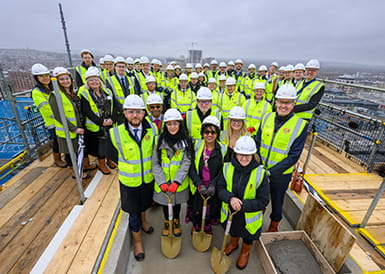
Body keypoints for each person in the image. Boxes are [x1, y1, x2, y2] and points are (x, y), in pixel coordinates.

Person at [109, 94, 156, 261]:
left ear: (144, 113)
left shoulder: (152, 130)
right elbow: (112, 155)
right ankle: (137, 243)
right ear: (124, 113)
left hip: (147, 179)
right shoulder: (115, 133)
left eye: (138, 112)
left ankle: (145, 222)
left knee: (145, 205)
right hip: (129, 182)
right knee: (133, 212)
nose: (135, 115)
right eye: (131, 112)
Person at [254, 84, 308, 232]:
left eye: (288, 102)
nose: (283, 105)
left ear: (293, 104)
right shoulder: (266, 118)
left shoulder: (300, 125)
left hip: (280, 175)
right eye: (281, 102)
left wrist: (272, 171)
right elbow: (257, 143)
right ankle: (257, 222)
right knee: (260, 199)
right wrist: (257, 165)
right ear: (276, 102)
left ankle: (274, 225)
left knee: (277, 202)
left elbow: (293, 156)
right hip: (261, 169)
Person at [217, 136, 270, 269]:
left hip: (249, 216)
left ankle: (245, 252)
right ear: (235, 153)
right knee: (233, 230)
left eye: (248, 155)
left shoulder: (260, 173)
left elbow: (263, 200)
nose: (244, 158)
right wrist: (230, 198)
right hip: (231, 212)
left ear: (254, 155)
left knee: (248, 236)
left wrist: (243, 205)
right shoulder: (227, 167)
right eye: (241, 154)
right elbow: (220, 187)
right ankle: (233, 243)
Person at [152, 108, 193, 237]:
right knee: (165, 203)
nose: (172, 127)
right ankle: (167, 221)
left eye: (175, 123)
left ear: (180, 124)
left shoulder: (186, 141)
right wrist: (161, 181)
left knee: (176, 204)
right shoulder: (158, 140)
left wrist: (177, 181)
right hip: (163, 181)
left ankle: (176, 221)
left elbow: (186, 162)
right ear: (165, 125)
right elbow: (155, 163)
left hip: (178, 182)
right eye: (169, 124)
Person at [49, 67, 91, 179]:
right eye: (61, 79)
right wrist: (74, 128)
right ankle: (75, 172)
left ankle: (80, 168)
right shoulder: (55, 95)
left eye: (67, 78)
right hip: (68, 131)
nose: (65, 81)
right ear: (57, 81)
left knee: (77, 151)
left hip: (77, 128)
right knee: (70, 153)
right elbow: (58, 116)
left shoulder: (71, 93)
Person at [187, 116, 226, 234]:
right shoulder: (196, 146)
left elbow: (223, 170)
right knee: (196, 207)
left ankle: (207, 227)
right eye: (207, 132)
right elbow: (191, 167)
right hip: (198, 185)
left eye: (213, 132)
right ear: (202, 133)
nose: (210, 135)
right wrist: (198, 183)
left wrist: (213, 184)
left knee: (211, 209)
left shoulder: (223, 149)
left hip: (213, 186)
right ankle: (196, 224)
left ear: (218, 133)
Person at [79, 67, 121, 175]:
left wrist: (112, 119)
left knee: (110, 142)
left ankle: (109, 160)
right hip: (96, 125)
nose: (94, 82)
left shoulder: (107, 91)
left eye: (96, 79)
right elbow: (87, 111)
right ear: (87, 82)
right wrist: (101, 122)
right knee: (100, 146)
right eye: (91, 80)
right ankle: (102, 164)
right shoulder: (85, 94)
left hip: (109, 123)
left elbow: (115, 106)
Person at [31, 63, 67, 168]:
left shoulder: (53, 87)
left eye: (46, 75)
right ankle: (57, 159)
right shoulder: (37, 92)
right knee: (56, 141)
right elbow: (46, 109)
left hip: (62, 118)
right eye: (42, 76)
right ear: (37, 78)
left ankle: (63, 157)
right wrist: (60, 116)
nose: (45, 78)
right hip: (52, 121)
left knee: (62, 140)